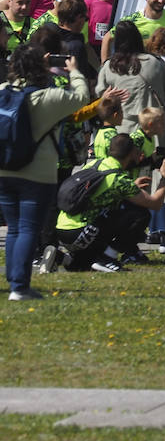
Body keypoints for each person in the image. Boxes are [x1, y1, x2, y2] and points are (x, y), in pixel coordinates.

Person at [1, 45, 90, 298]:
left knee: (15, 229)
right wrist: (74, 71)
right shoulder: (49, 97)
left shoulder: (3, 92)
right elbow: (82, 96)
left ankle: (13, 281)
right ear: (40, 67)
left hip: (5, 170)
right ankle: (20, 287)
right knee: (29, 228)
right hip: (37, 173)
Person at [95, 20, 165, 253]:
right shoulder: (153, 63)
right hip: (153, 129)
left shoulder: (110, 66)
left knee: (124, 181)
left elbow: (99, 96)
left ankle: (124, 231)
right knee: (157, 176)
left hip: (122, 130)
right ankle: (162, 231)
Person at [55, 135, 165, 271]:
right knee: (139, 214)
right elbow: (155, 204)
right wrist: (164, 177)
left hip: (64, 231)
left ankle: (65, 258)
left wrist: (132, 186)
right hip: (84, 233)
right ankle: (107, 258)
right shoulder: (118, 179)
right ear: (131, 154)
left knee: (83, 266)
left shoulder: (95, 164)